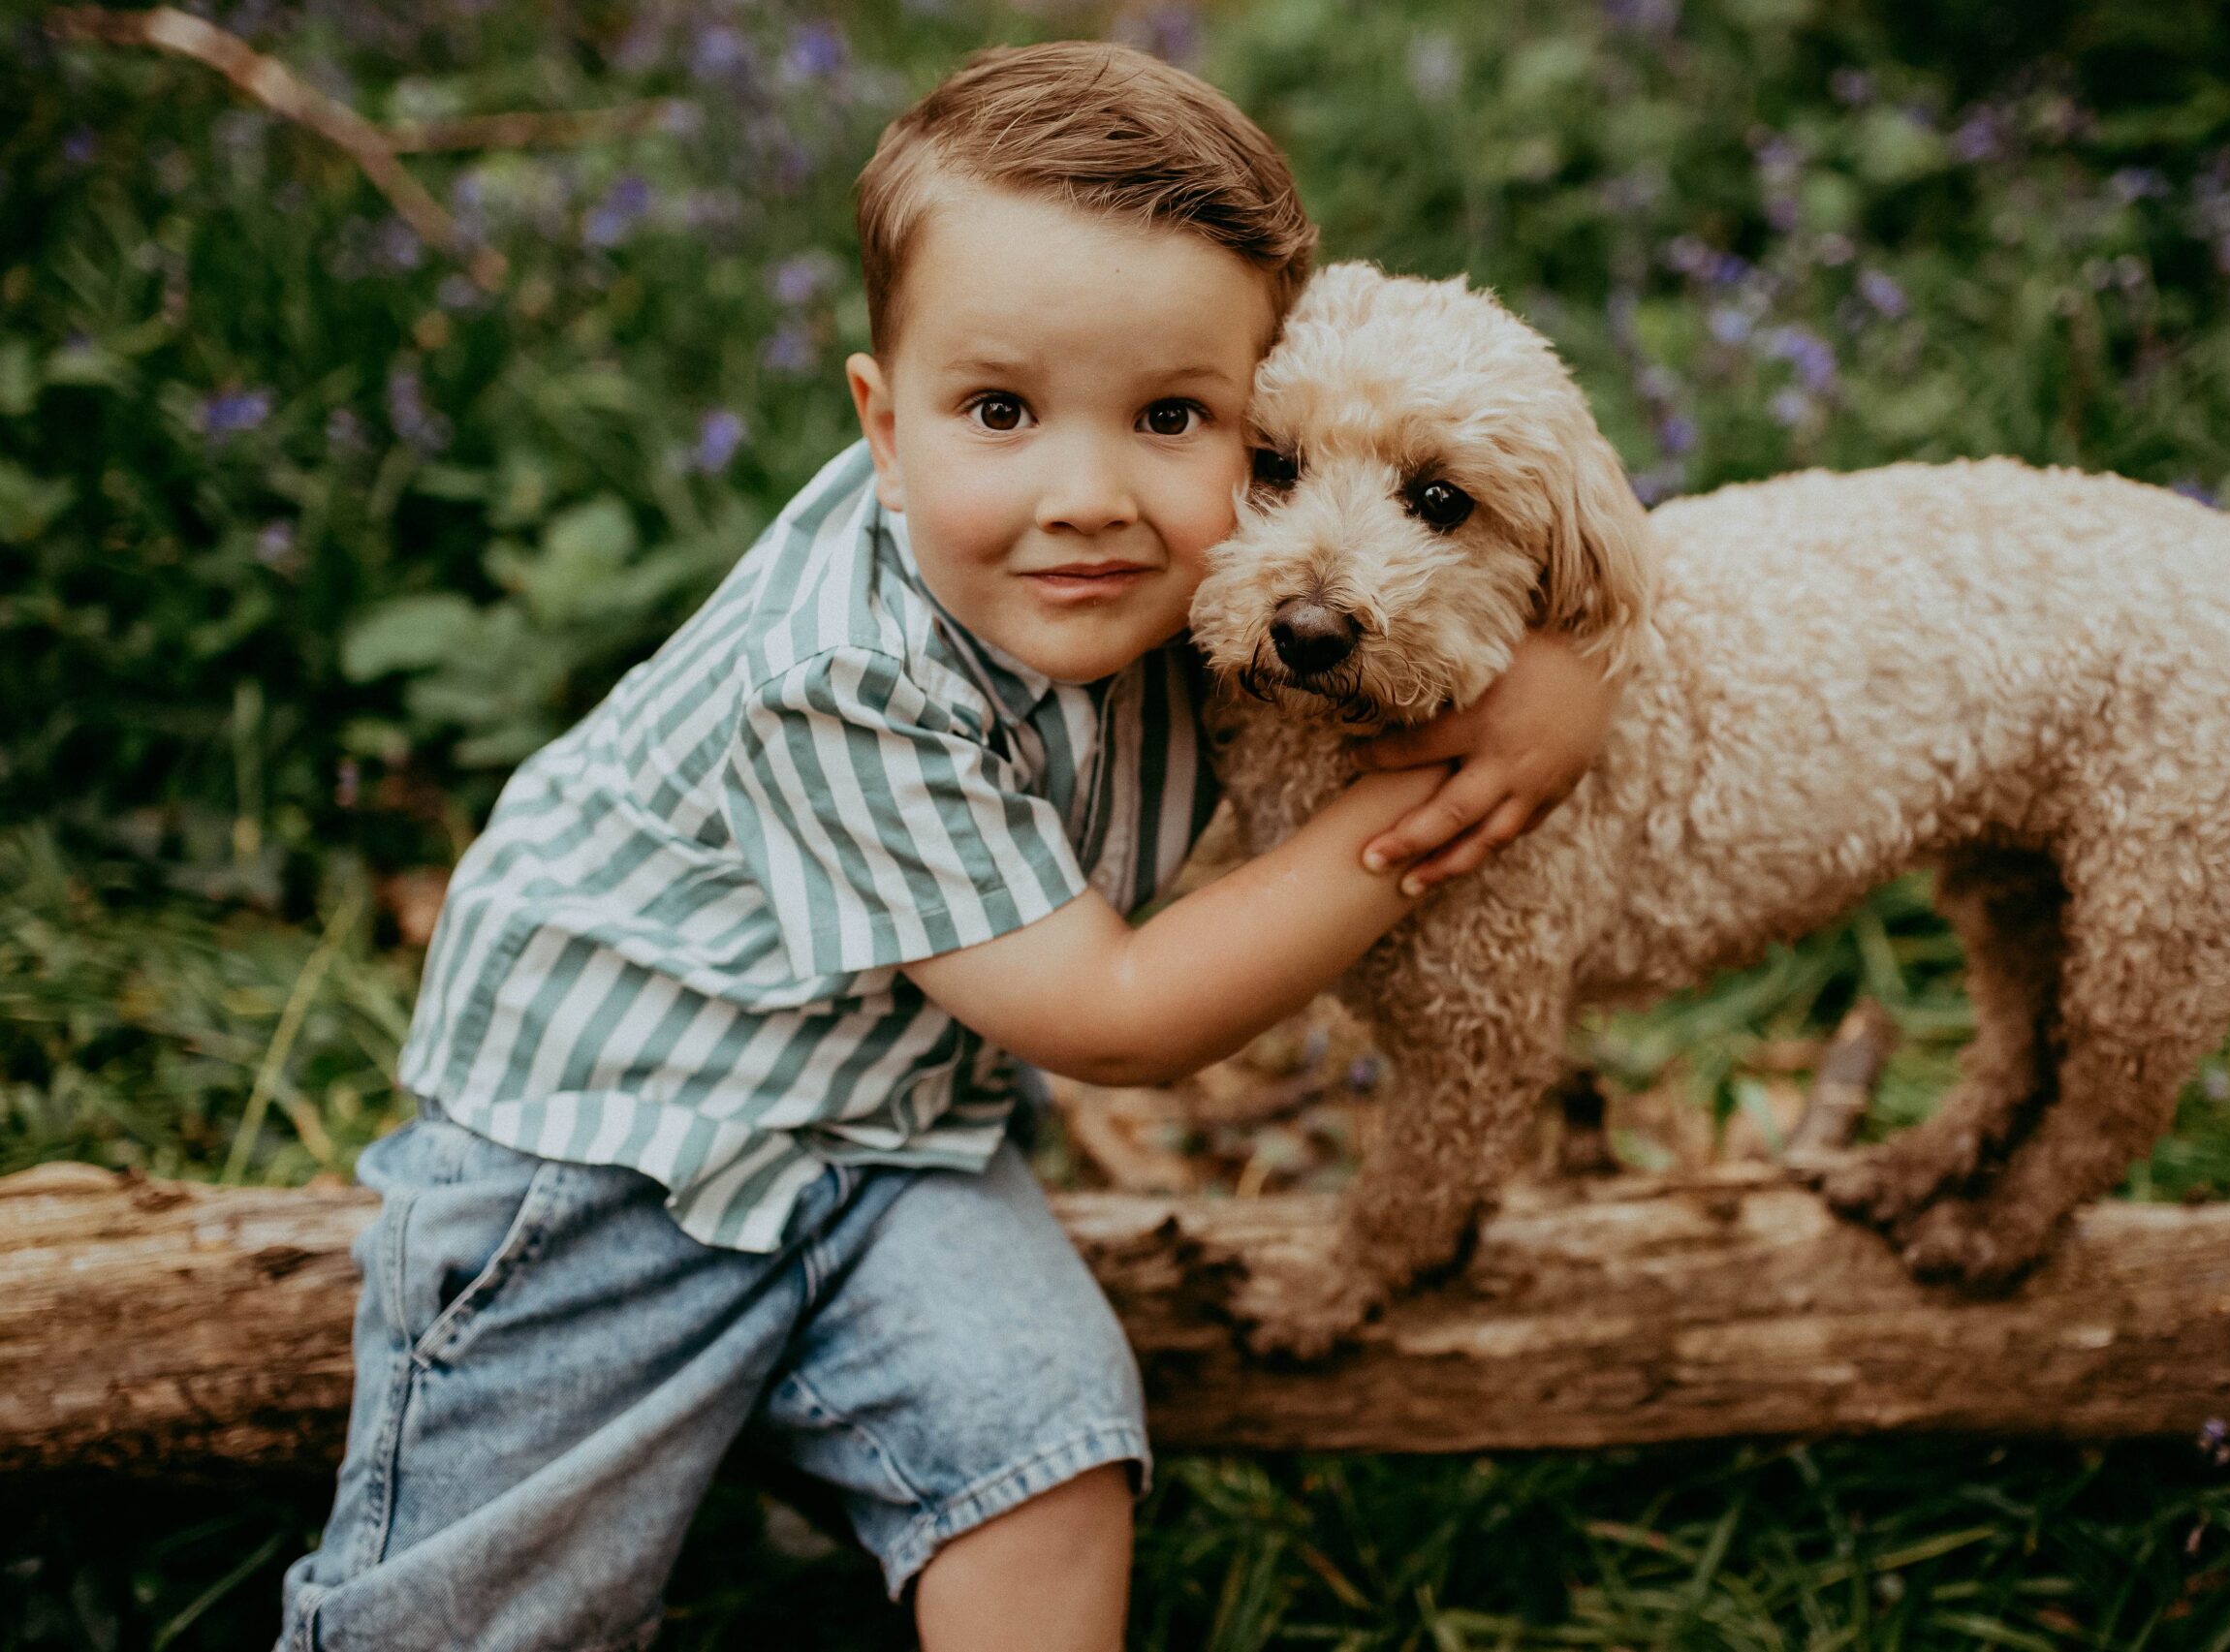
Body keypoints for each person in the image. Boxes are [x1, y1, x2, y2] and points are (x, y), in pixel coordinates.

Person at [277, 40, 1620, 1652]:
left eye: (1177, 416)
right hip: (604, 1160)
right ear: (884, 423)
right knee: (476, 1611)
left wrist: (1555, 671)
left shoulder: (1206, 570)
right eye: (999, 409)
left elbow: (1424, 562)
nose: (1088, 495)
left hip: (894, 1131)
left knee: (1050, 1442)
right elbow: (1114, 1015)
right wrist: (1442, 790)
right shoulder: (841, 676)